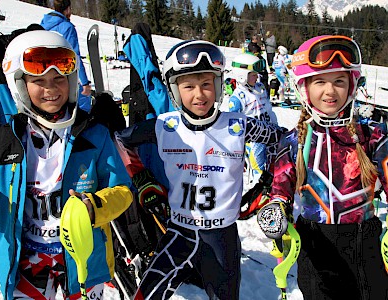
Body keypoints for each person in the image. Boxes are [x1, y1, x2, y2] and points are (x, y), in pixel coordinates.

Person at [115, 40, 284, 300]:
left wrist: (269, 184)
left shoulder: (238, 125)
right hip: (179, 234)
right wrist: (142, 179)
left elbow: (283, 140)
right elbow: (121, 140)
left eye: (206, 84)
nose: (199, 94)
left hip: (221, 239)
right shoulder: (164, 126)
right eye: (189, 86)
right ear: (175, 89)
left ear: (218, 86)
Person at [0, 30, 133, 299]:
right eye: (39, 81)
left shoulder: (93, 134)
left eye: (59, 79)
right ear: (19, 85)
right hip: (27, 260)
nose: (51, 89)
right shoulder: (6, 138)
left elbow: (123, 191)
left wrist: (95, 207)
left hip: (82, 259)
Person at [257, 35, 388, 299]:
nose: (330, 91)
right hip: (315, 244)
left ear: (351, 86)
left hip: (365, 242)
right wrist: (276, 210)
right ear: (304, 88)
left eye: (339, 81)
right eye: (320, 82)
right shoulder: (294, 141)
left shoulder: (372, 136)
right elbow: (280, 188)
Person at [229, 52, 277, 178]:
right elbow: (234, 126)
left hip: (270, 132)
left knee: (275, 165)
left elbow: (269, 110)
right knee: (259, 172)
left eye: (256, 74)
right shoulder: (237, 98)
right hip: (254, 139)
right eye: (253, 75)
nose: (256, 78)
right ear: (242, 76)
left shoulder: (260, 88)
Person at [41, 0, 92, 112]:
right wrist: (85, 83)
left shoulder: (43, 25)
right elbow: (74, 55)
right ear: (68, 9)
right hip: (65, 74)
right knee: (83, 105)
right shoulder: (67, 27)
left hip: (46, 75)